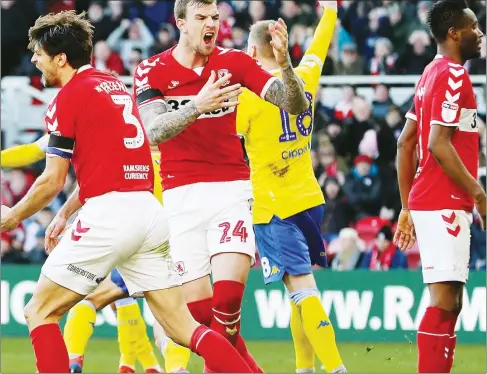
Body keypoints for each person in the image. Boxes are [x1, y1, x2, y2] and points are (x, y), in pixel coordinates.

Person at [0, 10, 256, 373]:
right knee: (187, 329)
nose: (34, 60)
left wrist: (11, 217)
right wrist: (64, 213)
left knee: (39, 311)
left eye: (39, 53)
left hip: (111, 215)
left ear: (60, 58)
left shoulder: (68, 98)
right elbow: (108, 168)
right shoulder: (113, 88)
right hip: (148, 213)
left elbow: (51, 180)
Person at [133, 0, 308, 372]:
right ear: (181, 23)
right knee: (203, 322)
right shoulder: (151, 70)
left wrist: (286, 63)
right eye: (201, 18)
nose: (211, 24)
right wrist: (197, 105)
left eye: (215, 17)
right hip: (180, 201)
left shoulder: (236, 63)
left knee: (227, 303)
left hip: (230, 191)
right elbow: (152, 131)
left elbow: (295, 105)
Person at [237, 2, 346, 373]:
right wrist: (329, 11)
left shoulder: (247, 99)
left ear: (252, 52)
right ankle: (305, 369)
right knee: (298, 291)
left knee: (303, 289)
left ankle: (335, 368)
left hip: (273, 207)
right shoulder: (305, 76)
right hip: (310, 200)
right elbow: (319, 45)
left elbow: (227, 147)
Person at [2, 130, 164, 374]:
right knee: (166, 313)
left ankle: (73, 359)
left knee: (71, 301)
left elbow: (39, 160)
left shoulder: (77, 123)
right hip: (159, 224)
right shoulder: (129, 130)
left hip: (123, 220)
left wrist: (55, 213)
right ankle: (141, 365)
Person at [394, 1, 485, 372]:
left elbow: (405, 142)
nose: (479, 34)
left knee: (451, 301)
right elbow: (436, 143)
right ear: (454, 33)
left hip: (432, 200)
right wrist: (479, 194)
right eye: (474, 27)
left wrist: (405, 207)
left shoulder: (429, 73)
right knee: (445, 301)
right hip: (445, 199)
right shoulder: (452, 76)